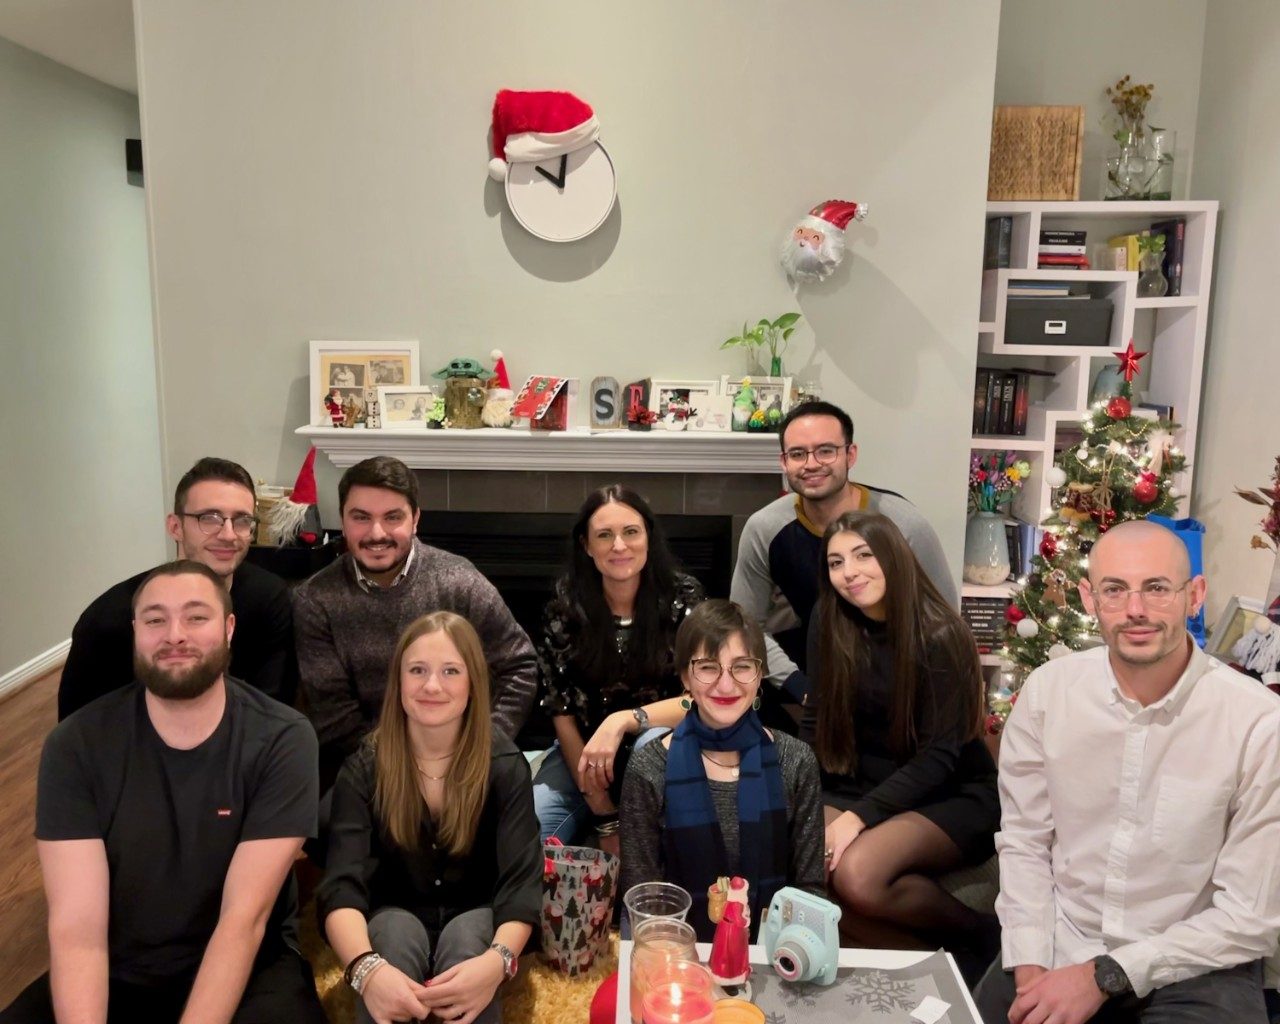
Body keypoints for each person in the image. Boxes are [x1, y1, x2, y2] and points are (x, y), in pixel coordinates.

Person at [974, 520, 1280, 1024]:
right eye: (1115, 590)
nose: (1135, 610)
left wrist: (1104, 975)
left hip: (1196, 961)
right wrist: (1030, 967)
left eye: (1157, 588)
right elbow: (1026, 841)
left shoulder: (1257, 723)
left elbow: (1251, 917)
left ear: (1195, 595)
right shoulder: (1049, 694)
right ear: (1089, 599)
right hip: (1061, 939)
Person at [0, 561, 323, 1023]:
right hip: (116, 968)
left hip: (249, 967)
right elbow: (77, 932)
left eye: (196, 617)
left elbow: (242, 921)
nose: (175, 634)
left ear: (229, 629)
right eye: (155, 619)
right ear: (136, 632)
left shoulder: (283, 739)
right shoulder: (75, 745)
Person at [317, 612, 540, 1024]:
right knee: (392, 935)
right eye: (417, 670)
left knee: (468, 937)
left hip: (478, 918)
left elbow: (521, 887)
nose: (432, 685)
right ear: (397, 682)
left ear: (473, 683)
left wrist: (496, 964)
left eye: (451, 671)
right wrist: (368, 971)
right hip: (393, 919)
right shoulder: (364, 769)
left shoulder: (505, 766)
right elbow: (341, 889)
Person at [803, 510, 999, 951]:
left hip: (948, 793)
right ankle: (915, 963)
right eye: (836, 563)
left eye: (863, 555)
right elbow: (816, 717)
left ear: (893, 556)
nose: (849, 573)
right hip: (858, 782)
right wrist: (799, 786)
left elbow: (938, 759)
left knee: (857, 875)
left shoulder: (942, 635)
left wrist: (858, 818)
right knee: (806, 861)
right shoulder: (829, 620)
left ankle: (985, 939)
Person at [293, 455, 536, 788]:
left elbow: (520, 666)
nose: (376, 533)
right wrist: (408, 773)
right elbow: (335, 718)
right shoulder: (315, 600)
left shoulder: (458, 580)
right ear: (344, 520)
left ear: (415, 519)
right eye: (361, 517)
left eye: (392, 517)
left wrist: (483, 746)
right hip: (368, 774)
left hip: (465, 768)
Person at [619, 599, 825, 942]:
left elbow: (810, 891)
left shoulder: (796, 761)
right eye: (708, 667)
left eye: (741, 667)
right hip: (676, 954)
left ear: (759, 676)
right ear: (686, 675)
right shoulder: (649, 768)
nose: (726, 685)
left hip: (775, 954)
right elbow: (644, 897)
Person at [731, 400, 955, 704]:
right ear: (784, 462)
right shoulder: (764, 528)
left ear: (850, 455)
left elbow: (944, 620)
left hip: (899, 681)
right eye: (797, 454)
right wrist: (800, 688)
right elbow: (746, 625)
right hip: (807, 680)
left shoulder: (904, 524)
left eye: (826, 450)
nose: (811, 464)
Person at [58, 456, 297, 719]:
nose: (228, 534)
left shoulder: (269, 598)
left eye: (241, 520)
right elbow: (79, 735)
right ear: (175, 527)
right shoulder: (107, 620)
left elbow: (273, 711)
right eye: (210, 518)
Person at [535, 485, 704, 848]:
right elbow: (560, 709)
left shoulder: (683, 599)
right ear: (586, 545)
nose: (619, 546)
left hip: (659, 740)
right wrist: (604, 815)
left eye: (630, 532)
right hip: (583, 751)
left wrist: (624, 720)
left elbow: (698, 699)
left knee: (649, 747)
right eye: (604, 535)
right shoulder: (565, 607)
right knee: (533, 826)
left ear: (648, 536)